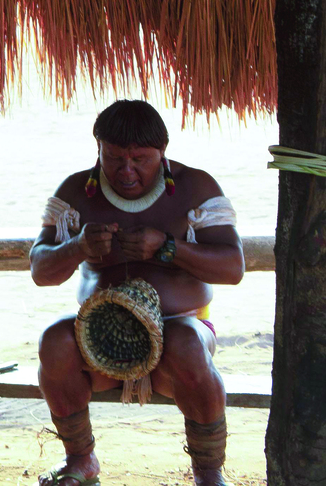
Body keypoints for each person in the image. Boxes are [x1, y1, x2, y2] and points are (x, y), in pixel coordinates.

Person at [31, 100, 244, 486]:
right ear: (98, 149)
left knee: (187, 345)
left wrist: (168, 248)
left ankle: (209, 472)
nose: (126, 170)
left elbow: (233, 268)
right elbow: (40, 271)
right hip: (99, 343)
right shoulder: (78, 192)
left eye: (140, 159)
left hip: (179, 343)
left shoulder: (195, 188)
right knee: (54, 342)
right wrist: (77, 246)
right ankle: (80, 460)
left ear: (163, 153)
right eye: (113, 158)